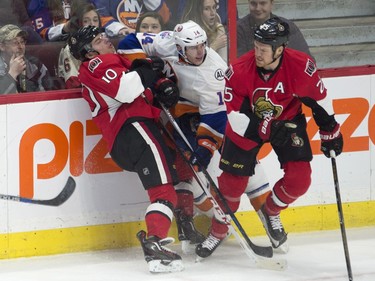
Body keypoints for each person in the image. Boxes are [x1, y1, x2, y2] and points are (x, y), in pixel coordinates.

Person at [118, 20, 273, 253]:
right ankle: (186, 222)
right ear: (179, 47)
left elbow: (216, 118)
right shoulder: (166, 41)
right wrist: (151, 71)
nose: (200, 51)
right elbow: (129, 43)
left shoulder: (213, 72)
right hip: (179, 112)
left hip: (218, 114)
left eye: (203, 45)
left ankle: (268, 220)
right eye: (194, 47)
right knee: (184, 166)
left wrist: (204, 149)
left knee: (236, 164)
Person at [195, 17, 343, 258]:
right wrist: (267, 129)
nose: (257, 53)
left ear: (280, 49)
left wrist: (331, 131)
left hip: (287, 120)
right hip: (247, 125)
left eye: (263, 50)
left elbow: (318, 100)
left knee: (299, 179)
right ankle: (219, 231)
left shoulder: (300, 65)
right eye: (255, 47)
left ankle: (271, 211)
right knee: (231, 187)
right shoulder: (239, 70)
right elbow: (236, 117)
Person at [68, 25, 183, 273]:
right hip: (135, 130)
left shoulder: (111, 62)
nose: (107, 41)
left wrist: (155, 86)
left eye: (105, 37)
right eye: (99, 41)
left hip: (131, 135)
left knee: (165, 191)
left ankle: (156, 245)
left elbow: (133, 90)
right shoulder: (96, 65)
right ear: (88, 53)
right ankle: (154, 242)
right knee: (164, 192)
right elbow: (126, 89)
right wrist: (148, 69)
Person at [237, 0, 312, 58]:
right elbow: (239, 64)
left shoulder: (287, 27)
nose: (258, 8)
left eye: (263, 3)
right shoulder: (239, 29)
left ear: (271, 3)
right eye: (253, 3)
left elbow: (306, 58)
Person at [58, 2, 102, 88]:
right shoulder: (71, 48)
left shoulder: (104, 42)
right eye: (86, 21)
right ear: (78, 23)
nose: (92, 24)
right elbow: (73, 83)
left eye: (95, 20)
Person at [0, 24, 54, 94]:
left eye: (22, 42)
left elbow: (49, 95)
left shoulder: (35, 65)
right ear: (2, 47)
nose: (21, 46)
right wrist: (12, 74)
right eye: (15, 43)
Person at [92, 0, 171, 37]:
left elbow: (164, 17)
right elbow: (100, 16)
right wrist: (120, 29)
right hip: (117, 41)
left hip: (149, 40)